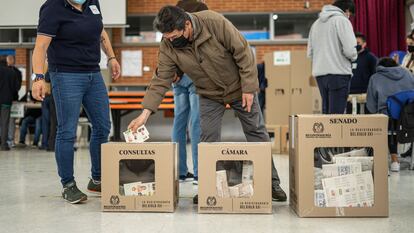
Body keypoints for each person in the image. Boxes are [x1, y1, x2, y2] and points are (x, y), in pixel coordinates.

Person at [128, 6, 287, 204]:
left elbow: (242, 51)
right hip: (209, 93)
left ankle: (271, 182)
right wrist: (144, 114)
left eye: (174, 36)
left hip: (239, 88)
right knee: (207, 141)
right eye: (167, 37)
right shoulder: (168, 44)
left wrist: (248, 87)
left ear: (186, 24)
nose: (170, 41)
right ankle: (209, 186)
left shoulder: (213, 22)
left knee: (256, 131)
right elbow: (161, 79)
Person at [31, 0, 121, 204]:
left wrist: (111, 57)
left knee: (102, 126)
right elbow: (40, 47)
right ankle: (68, 184)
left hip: (93, 73)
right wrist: (37, 78)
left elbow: (100, 31)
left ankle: (97, 179)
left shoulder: (92, 2)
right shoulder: (52, 7)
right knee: (67, 131)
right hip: (65, 74)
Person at [173, 0, 208, 185]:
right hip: (194, 73)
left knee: (179, 121)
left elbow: (172, 40)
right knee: (196, 123)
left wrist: (175, 71)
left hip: (176, 74)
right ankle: (199, 173)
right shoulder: (201, 8)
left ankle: (179, 172)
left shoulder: (178, 5)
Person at [308, 0, 358, 114]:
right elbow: (350, 50)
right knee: (336, 115)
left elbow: (310, 53)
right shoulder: (342, 21)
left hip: (320, 74)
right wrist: (354, 57)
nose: (349, 17)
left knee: (326, 113)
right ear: (347, 11)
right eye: (350, 14)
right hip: (339, 73)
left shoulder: (316, 24)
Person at [366, 57, 414, 172]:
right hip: (409, 117)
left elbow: (371, 105)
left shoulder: (375, 78)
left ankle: (393, 159)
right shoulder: (408, 74)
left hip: (388, 118)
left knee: (384, 122)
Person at [0, 56, 18, 151]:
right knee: (5, 122)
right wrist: (14, 97)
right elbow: (15, 88)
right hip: (6, 101)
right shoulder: (11, 72)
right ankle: (3, 145)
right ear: (6, 63)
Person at [6, 55, 22, 148]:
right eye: (9, 60)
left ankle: (10, 139)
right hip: (9, 98)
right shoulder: (14, 72)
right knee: (6, 120)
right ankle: (7, 139)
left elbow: (18, 86)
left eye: (12, 60)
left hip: (13, 99)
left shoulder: (17, 72)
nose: (10, 61)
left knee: (11, 120)